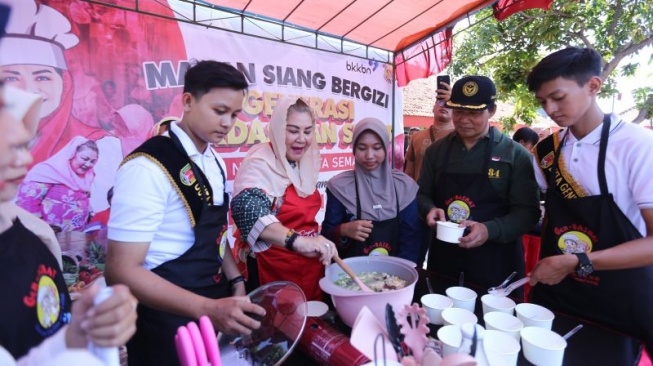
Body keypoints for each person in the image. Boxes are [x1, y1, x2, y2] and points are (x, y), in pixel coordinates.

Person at [105, 60, 266, 366]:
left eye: (234, 115)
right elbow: (120, 271)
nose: (227, 123)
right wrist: (208, 308)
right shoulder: (147, 167)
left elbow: (215, 236)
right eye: (220, 111)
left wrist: (236, 283)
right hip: (164, 321)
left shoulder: (213, 160)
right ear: (188, 101)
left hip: (214, 306)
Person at [527, 47, 653, 359]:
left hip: (617, 299)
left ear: (593, 86)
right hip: (558, 294)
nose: (550, 110)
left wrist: (579, 261)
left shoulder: (637, 147)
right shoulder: (546, 151)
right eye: (543, 102)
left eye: (558, 97)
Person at [0, 81, 137, 363]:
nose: (26, 159)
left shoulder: (29, 234)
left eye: (26, 145)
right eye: (13, 146)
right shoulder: (39, 205)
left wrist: (78, 334)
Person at [417, 75, 541, 291]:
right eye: (459, 111)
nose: (464, 119)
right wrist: (428, 209)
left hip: (495, 264)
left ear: (492, 111)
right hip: (445, 260)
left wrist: (489, 230)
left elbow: (528, 213)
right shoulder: (436, 152)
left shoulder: (515, 155)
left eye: (474, 113)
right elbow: (422, 194)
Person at [230, 97, 336, 301]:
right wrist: (299, 241)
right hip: (273, 269)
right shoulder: (260, 163)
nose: (302, 139)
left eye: (307, 131)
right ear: (279, 129)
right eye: (293, 130)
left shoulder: (304, 163)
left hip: (309, 267)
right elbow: (247, 212)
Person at [321, 117, 421, 262]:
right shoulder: (339, 187)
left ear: (386, 148)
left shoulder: (404, 187)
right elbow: (326, 236)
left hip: (395, 275)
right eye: (362, 148)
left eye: (377, 148)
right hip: (351, 276)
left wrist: (399, 277)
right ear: (354, 149)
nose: (369, 156)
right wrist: (343, 230)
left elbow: (411, 239)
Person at [15, 136, 99, 232]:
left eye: (93, 161)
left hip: (76, 237)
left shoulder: (86, 178)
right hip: (47, 237)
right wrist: (40, 232)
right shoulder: (46, 171)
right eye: (85, 158)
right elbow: (27, 203)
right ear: (72, 154)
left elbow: (83, 201)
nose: (88, 164)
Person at [404, 82, 455, 181]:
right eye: (440, 102)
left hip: (449, 195)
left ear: (455, 111)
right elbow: (409, 173)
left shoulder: (460, 137)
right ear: (433, 108)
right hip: (420, 194)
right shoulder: (416, 137)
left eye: (448, 104)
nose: (444, 106)